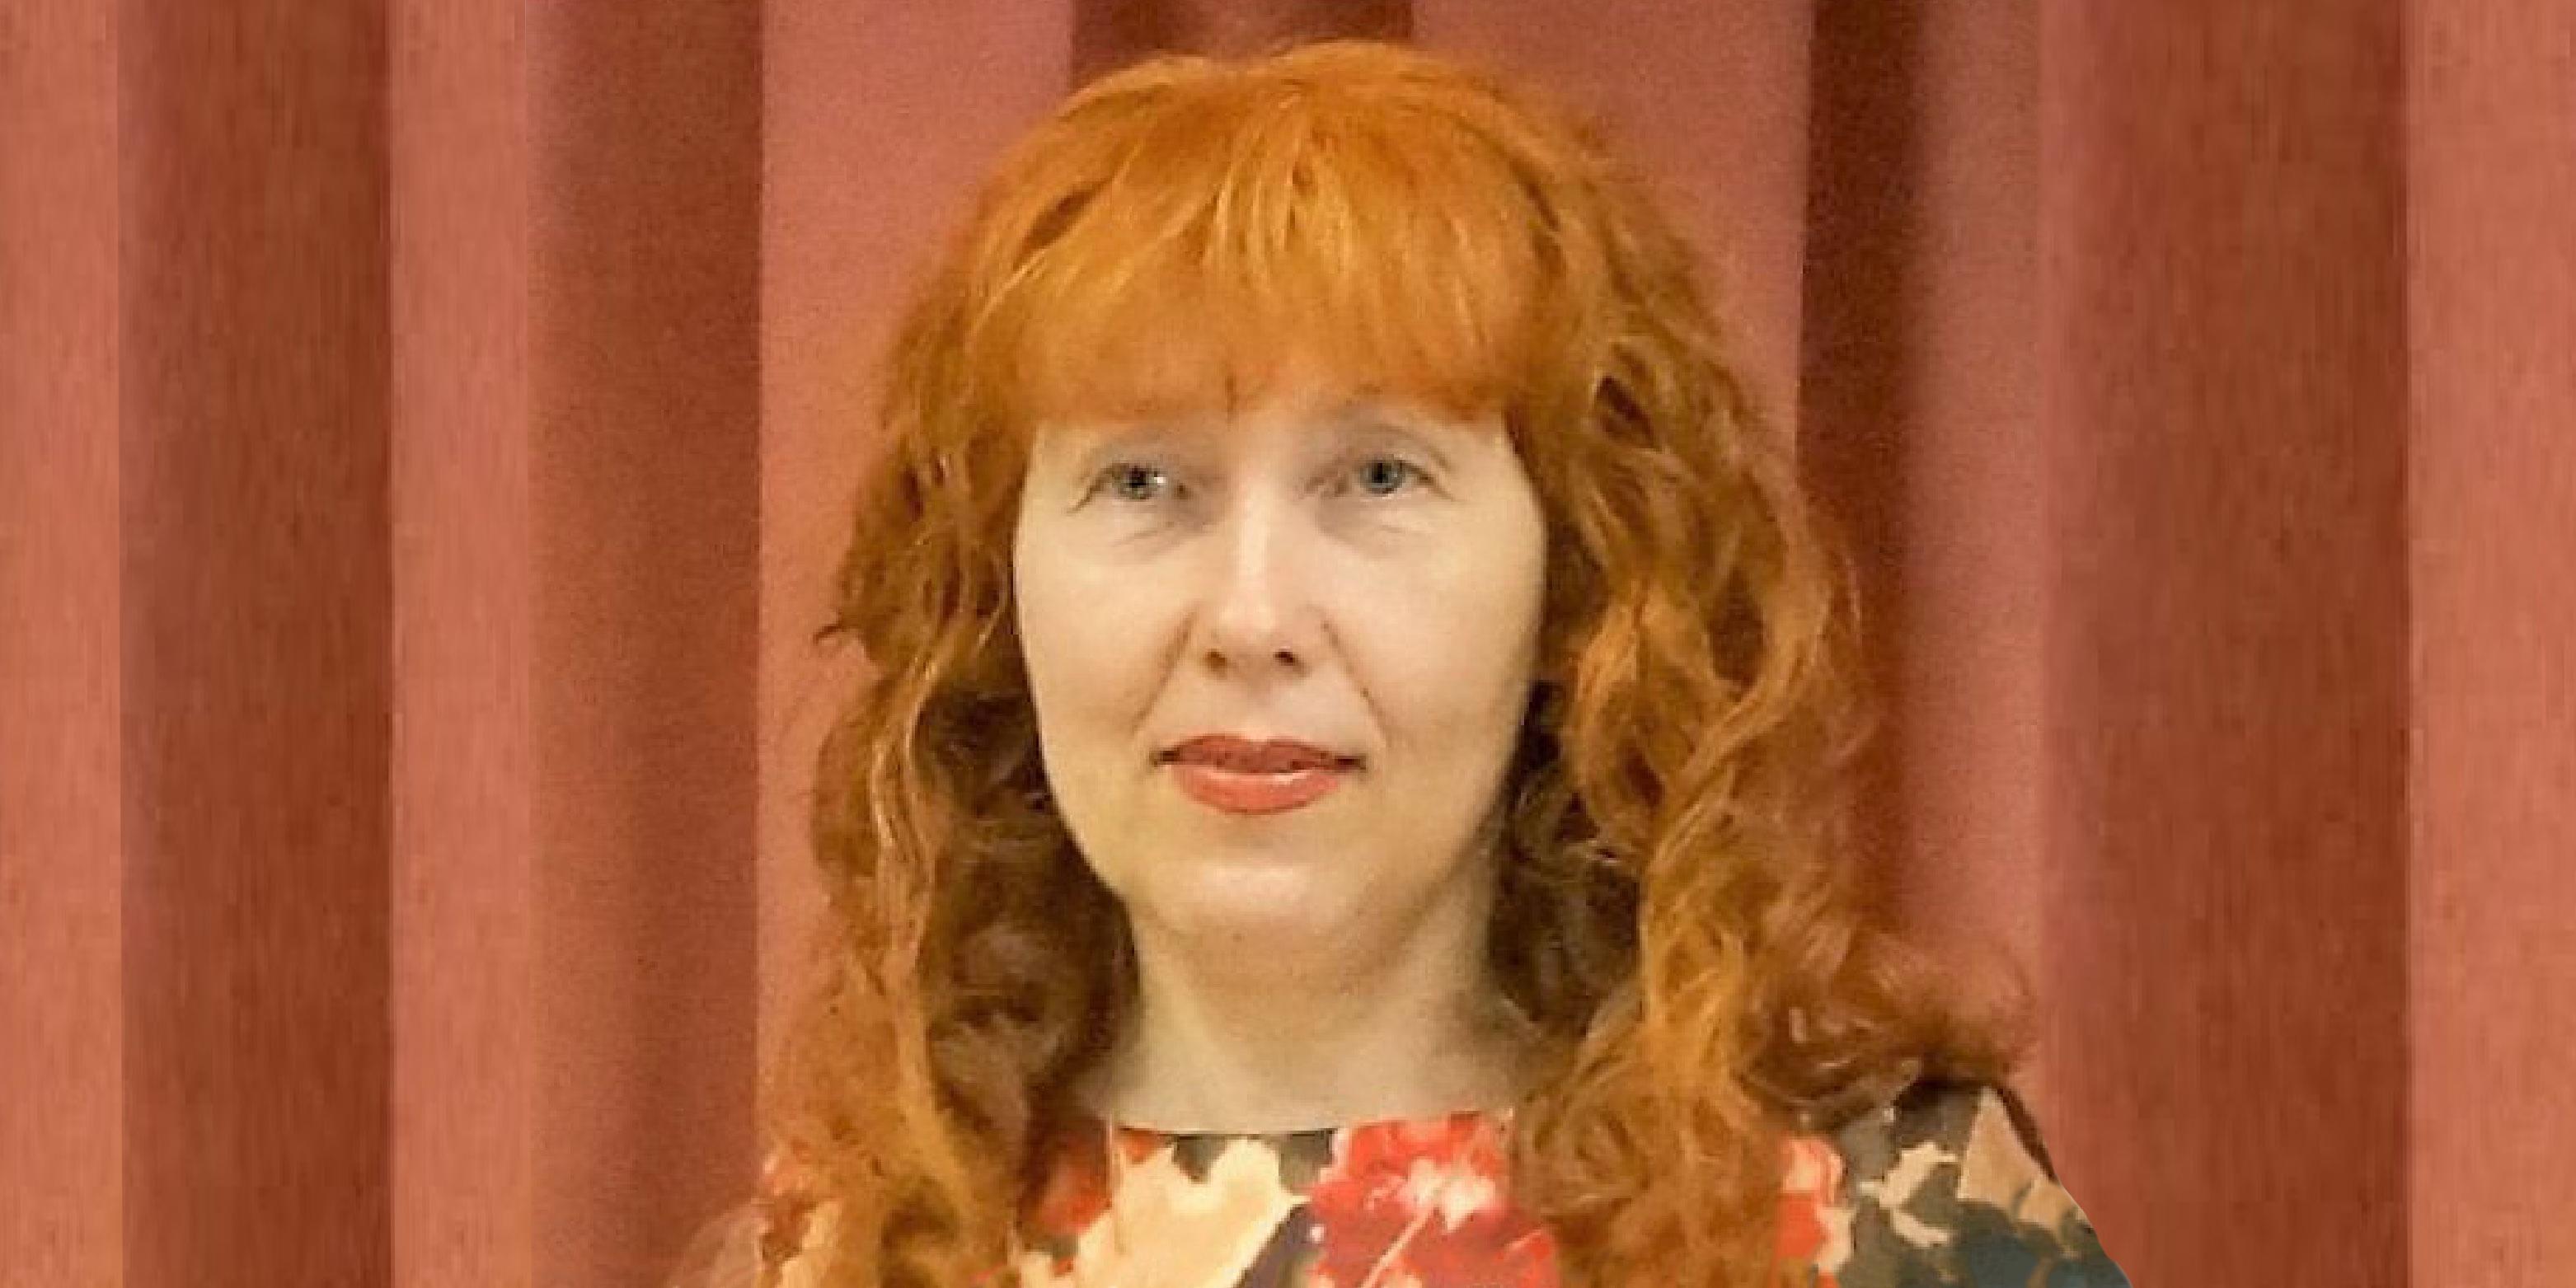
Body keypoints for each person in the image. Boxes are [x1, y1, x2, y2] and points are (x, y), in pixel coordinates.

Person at [671, 38, 2128, 1288]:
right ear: (995, 595)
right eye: (1142, 482)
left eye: (1377, 477)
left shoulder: (1898, 1223)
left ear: (1578, 581)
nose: (1250, 616)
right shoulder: (836, 1252)